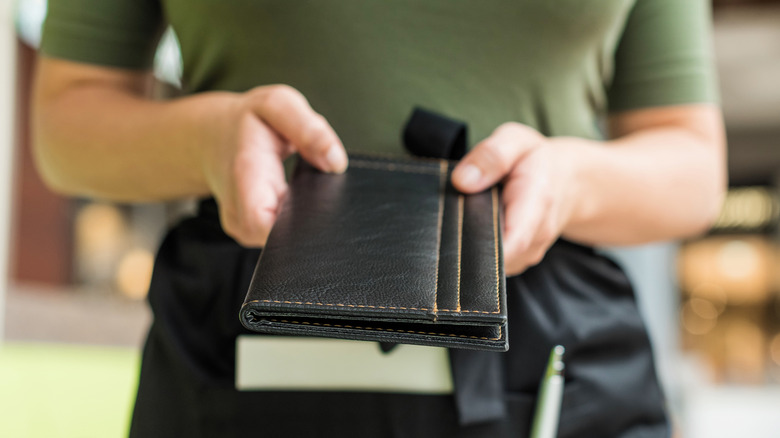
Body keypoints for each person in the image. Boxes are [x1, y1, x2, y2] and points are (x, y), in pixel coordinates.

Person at [32, 0, 726, 437]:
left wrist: (572, 181)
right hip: (247, 316)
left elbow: (694, 166)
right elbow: (66, 120)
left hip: (545, 330)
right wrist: (208, 138)